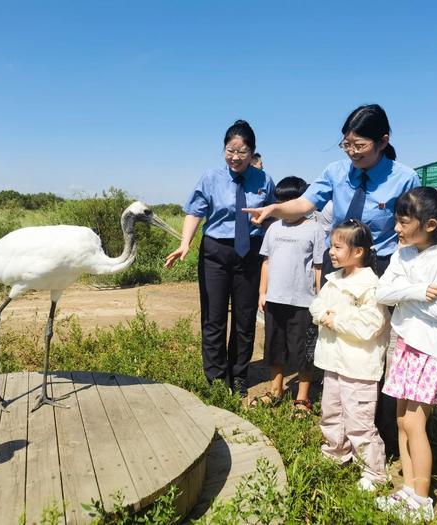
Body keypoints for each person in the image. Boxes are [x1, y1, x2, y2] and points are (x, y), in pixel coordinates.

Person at [243, 104, 421, 451]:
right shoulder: (336, 171)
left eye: (360, 146)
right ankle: (334, 407)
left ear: (383, 141)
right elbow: (305, 204)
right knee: (331, 330)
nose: (352, 152)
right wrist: (274, 210)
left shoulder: (404, 177)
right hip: (338, 260)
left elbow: (409, 227)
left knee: (372, 340)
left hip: (379, 264)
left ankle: (374, 422)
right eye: (347, 145)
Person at [374, 187, 437, 522]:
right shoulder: (403, 253)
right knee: (401, 420)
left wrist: (404, 295)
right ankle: (409, 490)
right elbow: (381, 291)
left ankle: (422, 499)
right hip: (408, 346)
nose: (396, 229)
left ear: (429, 224)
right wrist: (415, 291)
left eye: (403, 221)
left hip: (431, 350)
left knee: (415, 423)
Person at [165, 120, 276, 397]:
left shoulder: (264, 181)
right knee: (214, 317)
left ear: (253, 153)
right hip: (215, 252)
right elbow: (195, 211)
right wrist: (185, 243)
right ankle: (215, 379)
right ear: (224, 150)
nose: (235, 158)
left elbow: (271, 216)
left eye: (242, 152)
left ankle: (238, 375)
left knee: (245, 317)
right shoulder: (211, 177)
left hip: (249, 252)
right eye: (230, 151)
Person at [310, 220, 390, 491]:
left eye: (337, 246)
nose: (331, 252)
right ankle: (336, 452)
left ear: (358, 252)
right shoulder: (333, 280)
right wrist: (325, 315)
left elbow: (369, 326)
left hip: (358, 366)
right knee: (331, 411)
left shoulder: (371, 285)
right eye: (331, 246)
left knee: (359, 420)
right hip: (333, 362)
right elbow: (317, 307)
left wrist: (335, 319)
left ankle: (373, 471)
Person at [252, 176, 325, 417]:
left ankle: (302, 398)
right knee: (275, 347)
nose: (284, 208)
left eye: (289, 202)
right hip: (275, 299)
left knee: (303, 349)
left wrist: (320, 297)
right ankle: (276, 390)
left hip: (303, 302)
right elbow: (266, 262)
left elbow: (318, 266)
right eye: (280, 202)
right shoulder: (273, 228)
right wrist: (263, 292)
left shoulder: (315, 229)